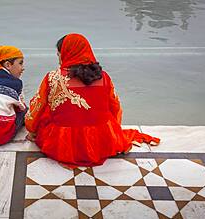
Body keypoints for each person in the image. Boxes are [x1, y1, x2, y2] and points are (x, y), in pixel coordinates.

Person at [25, 33, 159, 168]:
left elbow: (36, 108)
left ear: (66, 53)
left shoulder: (52, 78)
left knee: (48, 109)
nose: (59, 58)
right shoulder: (103, 77)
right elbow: (115, 107)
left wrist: (31, 128)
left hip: (64, 146)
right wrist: (112, 131)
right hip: (101, 143)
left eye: (59, 53)